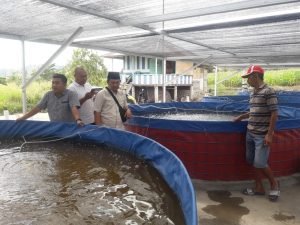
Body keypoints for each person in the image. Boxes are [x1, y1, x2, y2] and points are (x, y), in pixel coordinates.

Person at [234, 65, 280, 202]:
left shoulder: (268, 91)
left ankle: (275, 185)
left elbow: (274, 113)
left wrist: (269, 134)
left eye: (248, 78)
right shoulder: (253, 92)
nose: (247, 81)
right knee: (252, 161)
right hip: (250, 132)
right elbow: (255, 111)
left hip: (261, 134)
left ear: (255, 76)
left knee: (260, 162)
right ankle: (258, 187)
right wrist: (242, 117)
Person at [17, 74, 84, 126]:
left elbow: (74, 107)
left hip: (69, 128)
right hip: (54, 127)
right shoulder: (48, 95)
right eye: (53, 83)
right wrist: (23, 118)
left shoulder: (71, 94)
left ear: (64, 85)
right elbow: (37, 108)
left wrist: (78, 120)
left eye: (57, 83)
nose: (54, 85)